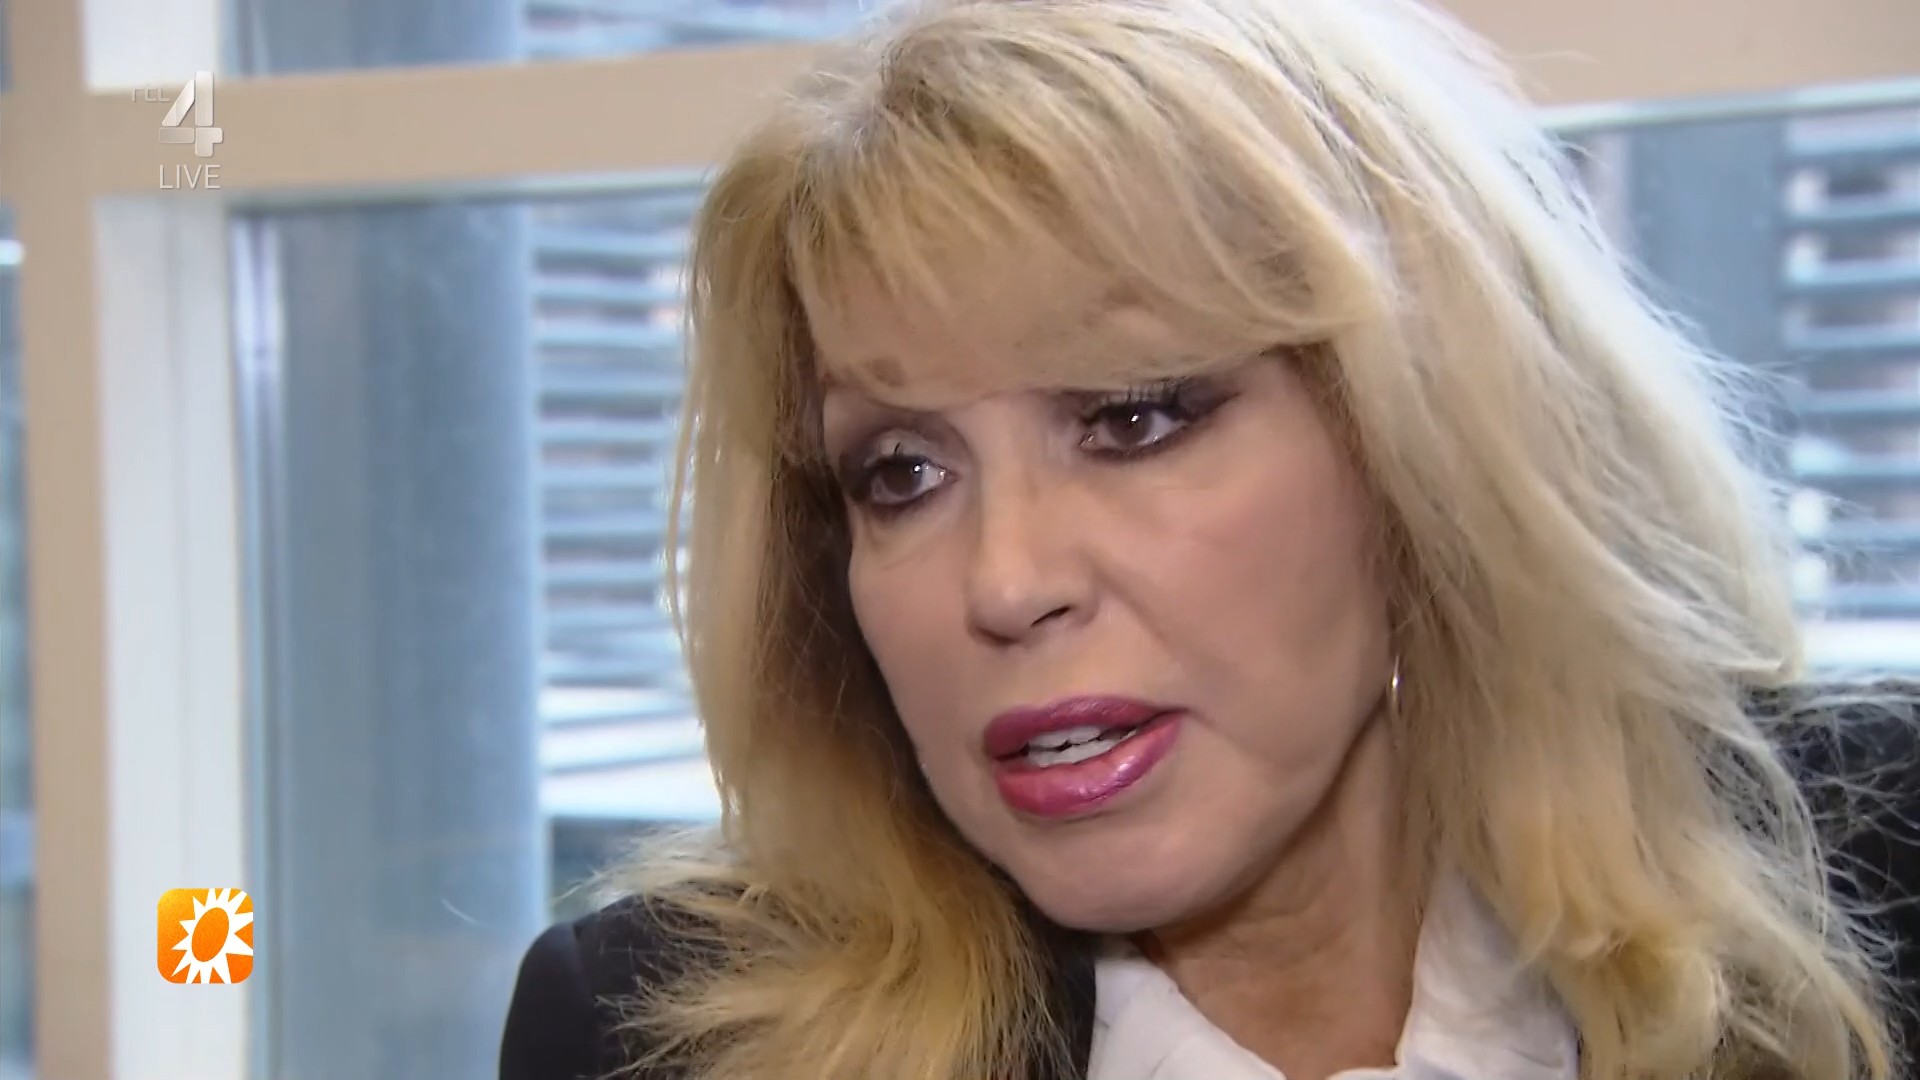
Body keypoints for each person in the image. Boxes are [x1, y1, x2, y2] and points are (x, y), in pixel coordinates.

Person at [498, 0, 1920, 1077]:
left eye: (1132, 417)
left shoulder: (1876, 873)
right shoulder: (649, 1040)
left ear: (1418, 438)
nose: (1008, 581)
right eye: (904, 472)